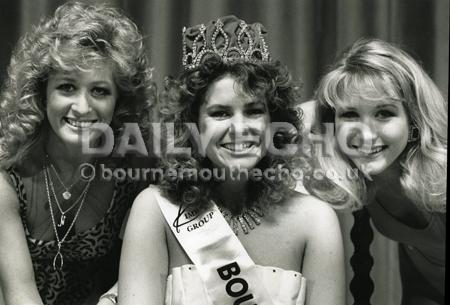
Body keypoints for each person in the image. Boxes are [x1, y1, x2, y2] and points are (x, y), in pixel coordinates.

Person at [119, 15, 345, 305]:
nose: (240, 129)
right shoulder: (155, 210)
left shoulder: (316, 221)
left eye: (253, 111)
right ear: (192, 125)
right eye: (220, 113)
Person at [0, 2, 154, 305]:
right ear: (42, 92)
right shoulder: (7, 177)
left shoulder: (133, 171)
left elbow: (149, 271)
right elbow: (18, 295)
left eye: (99, 91)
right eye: (67, 87)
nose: (83, 108)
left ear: (119, 101)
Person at [304, 38, 446, 305]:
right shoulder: (365, 176)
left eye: (383, 113)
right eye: (350, 115)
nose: (366, 133)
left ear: (413, 118)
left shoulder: (441, 176)